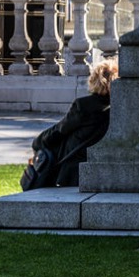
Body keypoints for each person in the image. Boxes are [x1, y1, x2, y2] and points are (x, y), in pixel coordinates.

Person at [26, 59, 117, 188]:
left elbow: (60, 130)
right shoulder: (119, 109)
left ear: (94, 80)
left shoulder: (83, 105)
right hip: (105, 170)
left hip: (73, 170)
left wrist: (38, 142)